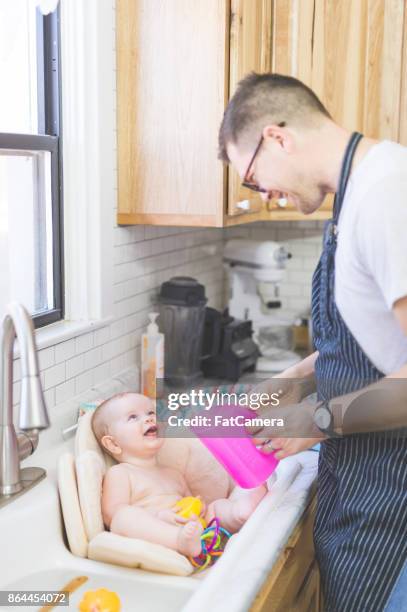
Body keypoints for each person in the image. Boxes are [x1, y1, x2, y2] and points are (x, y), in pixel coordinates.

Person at [218, 73, 407, 611]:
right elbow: (368, 337)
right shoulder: (355, 194)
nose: (263, 195)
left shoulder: (387, 193)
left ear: (277, 137)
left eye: (253, 179)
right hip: (369, 482)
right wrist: (293, 378)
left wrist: (315, 421)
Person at [91, 392, 266, 557]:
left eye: (150, 412)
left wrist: (200, 507)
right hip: (156, 534)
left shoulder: (173, 473)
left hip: (193, 532)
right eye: (133, 417)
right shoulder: (120, 473)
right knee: (124, 518)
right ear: (113, 444)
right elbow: (111, 514)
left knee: (215, 507)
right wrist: (158, 516)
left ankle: (240, 513)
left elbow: (192, 502)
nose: (149, 418)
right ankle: (178, 540)